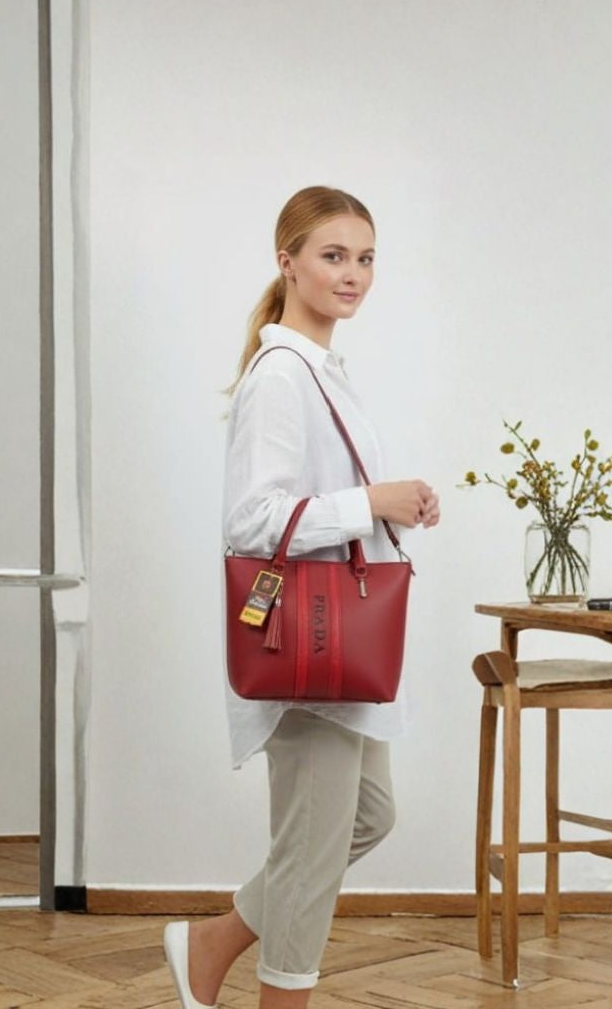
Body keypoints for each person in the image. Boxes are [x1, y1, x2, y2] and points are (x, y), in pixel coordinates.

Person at [164, 185, 440, 1009]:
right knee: (314, 847)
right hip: (311, 648)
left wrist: (398, 504)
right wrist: (371, 503)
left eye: (364, 258)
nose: (352, 274)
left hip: (339, 650)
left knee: (368, 816)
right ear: (286, 261)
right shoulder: (282, 377)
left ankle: (213, 941)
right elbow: (251, 521)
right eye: (333, 255)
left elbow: (322, 500)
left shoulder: (322, 372)